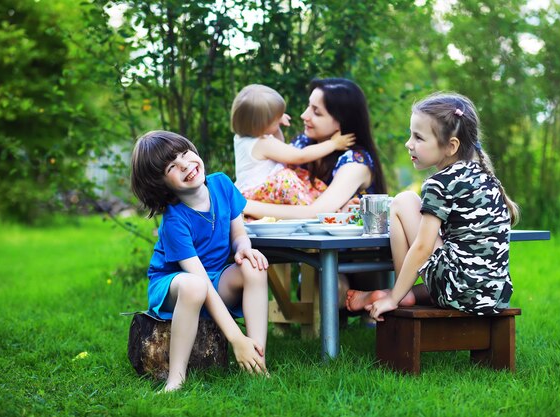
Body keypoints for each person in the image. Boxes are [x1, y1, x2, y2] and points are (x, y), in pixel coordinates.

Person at [346, 92, 520, 319]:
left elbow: (422, 247)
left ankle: (400, 292)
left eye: (418, 138)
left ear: (451, 146)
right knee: (409, 206)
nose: (409, 144)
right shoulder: (486, 177)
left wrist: (392, 299)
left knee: (402, 201)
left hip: (459, 290)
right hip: (495, 294)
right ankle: (402, 292)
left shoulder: (440, 183)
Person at [130, 130, 270, 392]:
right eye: (172, 166)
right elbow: (200, 281)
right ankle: (176, 379)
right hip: (175, 287)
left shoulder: (222, 185)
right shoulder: (175, 221)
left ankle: (256, 359)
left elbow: (239, 233)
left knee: (254, 265)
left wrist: (243, 249)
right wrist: (234, 337)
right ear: (160, 183)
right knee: (195, 285)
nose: (185, 165)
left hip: (215, 278)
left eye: (185, 154)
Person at [243, 78, 387, 219]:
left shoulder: (355, 163)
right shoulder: (303, 145)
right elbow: (270, 178)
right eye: (308, 106)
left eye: (316, 112)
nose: (304, 115)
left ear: (341, 121)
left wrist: (242, 205)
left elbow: (315, 213)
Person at [232, 84, 355, 205]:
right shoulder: (263, 143)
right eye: (276, 120)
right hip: (262, 191)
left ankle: (326, 206)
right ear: (262, 125)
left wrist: (275, 125)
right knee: (290, 178)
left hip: (255, 192)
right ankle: (319, 209)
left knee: (304, 181)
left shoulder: (242, 139)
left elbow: (279, 144)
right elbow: (300, 156)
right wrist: (333, 144)